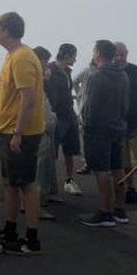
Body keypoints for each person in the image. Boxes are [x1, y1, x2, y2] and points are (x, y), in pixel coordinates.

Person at [0, 12, 46, 254]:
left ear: (6, 31)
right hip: (9, 129)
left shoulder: (22, 58)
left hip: (19, 132)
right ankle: (10, 230)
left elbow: (29, 100)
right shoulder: (13, 56)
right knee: (11, 183)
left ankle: (32, 239)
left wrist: (18, 133)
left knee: (26, 184)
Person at [79, 40, 130, 227]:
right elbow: (126, 103)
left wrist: (86, 125)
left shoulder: (96, 75)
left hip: (99, 129)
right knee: (118, 169)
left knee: (102, 170)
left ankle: (105, 212)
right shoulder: (123, 75)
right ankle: (120, 210)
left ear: (99, 52)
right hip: (118, 127)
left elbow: (90, 106)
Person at [114, 42, 137, 208]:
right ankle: (131, 189)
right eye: (117, 53)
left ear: (127, 53)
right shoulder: (113, 72)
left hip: (135, 120)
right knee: (124, 160)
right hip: (119, 121)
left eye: (122, 53)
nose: (120, 57)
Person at [47, 43, 82, 196]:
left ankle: (69, 180)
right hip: (56, 115)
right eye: (74, 55)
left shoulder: (67, 71)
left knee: (70, 149)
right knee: (51, 150)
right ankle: (48, 183)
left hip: (68, 114)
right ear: (67, 55)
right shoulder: (50, 70)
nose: (75, 59)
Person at [32, 46, 58, 221]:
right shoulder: (35, 82)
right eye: (45, 61)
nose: (47, 66)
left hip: (42, 130)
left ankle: (37, 202)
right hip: (40, 132)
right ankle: (36, 207)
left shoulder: (38, 81)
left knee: (41, 169)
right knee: (38, 172)